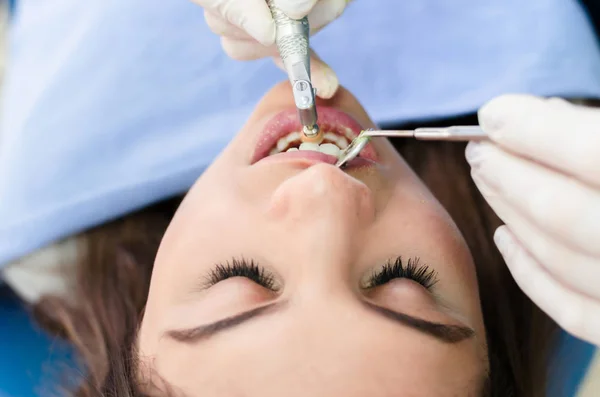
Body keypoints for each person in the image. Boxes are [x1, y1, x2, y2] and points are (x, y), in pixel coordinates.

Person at [0, 0, 599, 396]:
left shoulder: (36, 218)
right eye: (402, 281)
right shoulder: (568, 176)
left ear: (133, 337)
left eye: (239, 278)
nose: (322, 190)